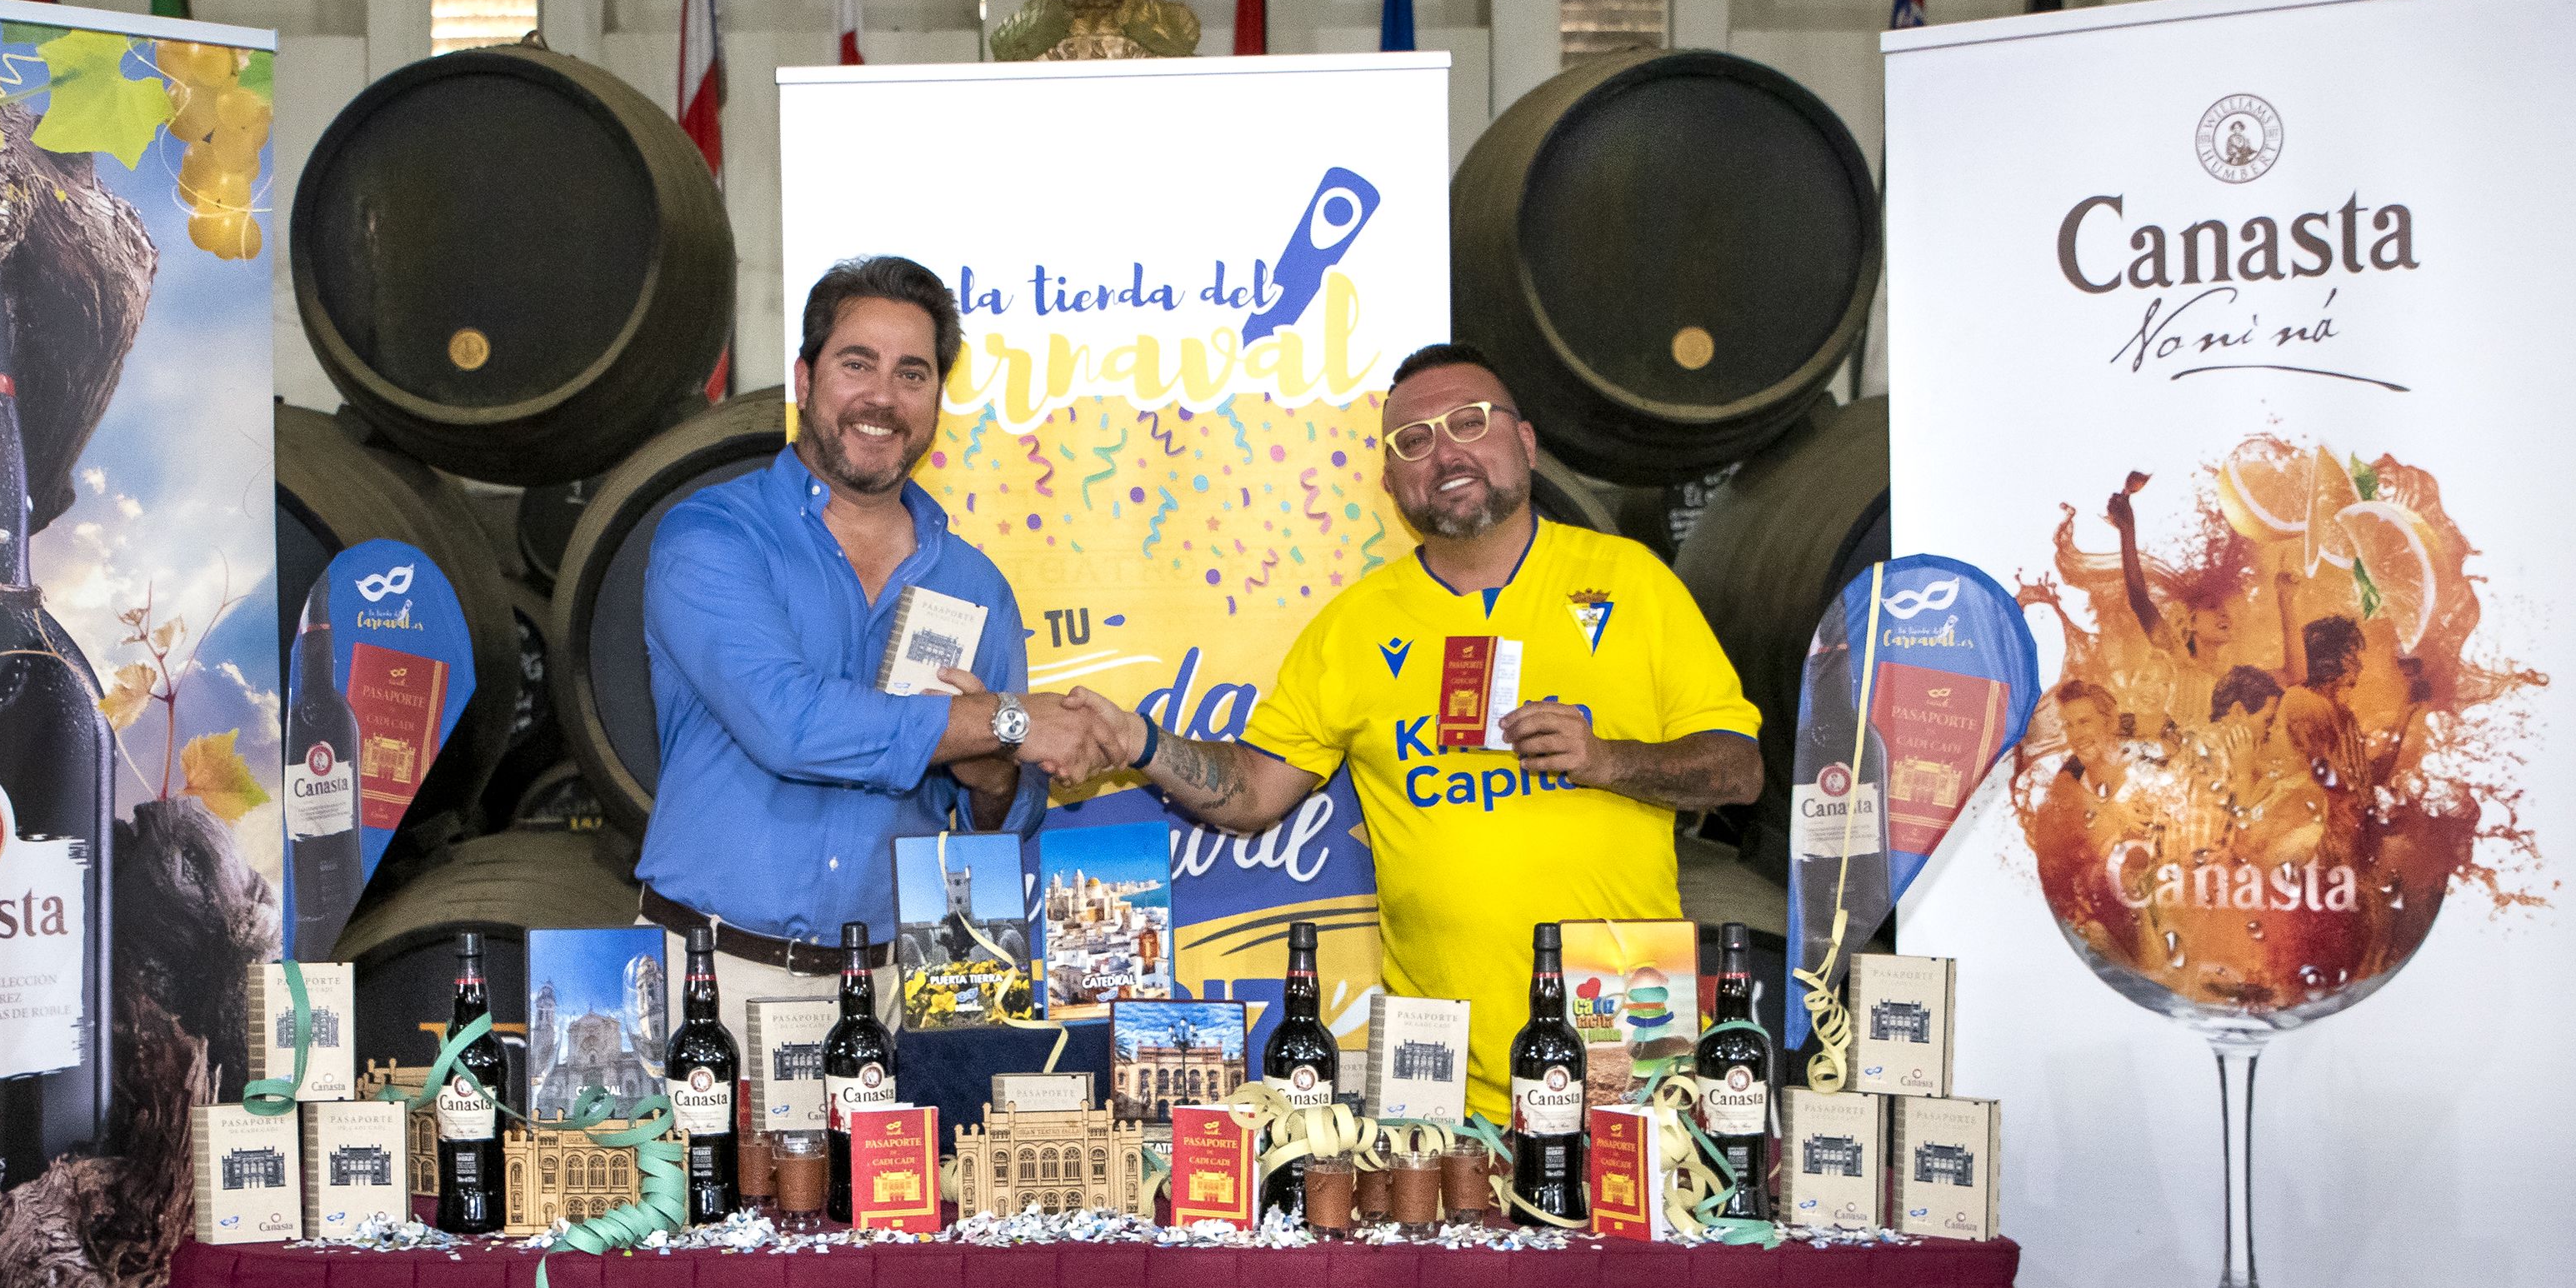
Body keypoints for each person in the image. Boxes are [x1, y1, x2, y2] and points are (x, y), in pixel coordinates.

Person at [1063, 343, 1762, 1121]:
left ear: (1525, 443)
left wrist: (1607, 759)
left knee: (1627, 1234)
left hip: (1624, 1043)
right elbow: (1254, 791)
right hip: (1439, 1079)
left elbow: (1737, 772)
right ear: (1391, 481)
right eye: (1413, 440)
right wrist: (1141, 744)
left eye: (1469, 421)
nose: (1444, 451)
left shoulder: (1632, 582)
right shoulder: (1354, 626)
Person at [634, 255, 1111, 1020]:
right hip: (712, 975)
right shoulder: (712, 535)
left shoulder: (975, 584)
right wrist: (1000, 719)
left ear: (935, 401)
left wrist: (991, 777)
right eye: (857, 364)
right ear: (804, 378)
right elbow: (790, 725)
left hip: (898, 993)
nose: (882, 397)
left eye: (912, 374)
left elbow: (1002, 823)